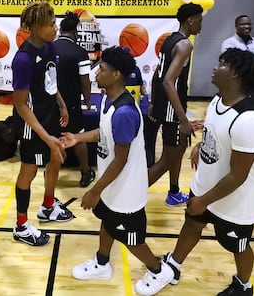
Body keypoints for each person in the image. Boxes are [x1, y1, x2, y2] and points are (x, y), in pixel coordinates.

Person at [62, 46, 173, 296]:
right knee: (108, 223)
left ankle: (158, 270)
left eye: (101, 69)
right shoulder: (107, 101)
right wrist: (78, 139)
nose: (96, 72)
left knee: (132, 239)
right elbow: (104, 133)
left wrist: (94, 191)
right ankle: (102, 263)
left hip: (125, 191)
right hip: (112, 185)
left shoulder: (124, 113)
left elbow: (120, 159)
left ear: (117, 75)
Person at [162, 48, 254, 296]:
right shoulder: (218, 100)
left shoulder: (249, 120)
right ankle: (174, 264)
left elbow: (238, 175)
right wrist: (202, 144)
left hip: (233, 200)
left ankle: (243, 285)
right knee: (191, 225)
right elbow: (214, 131)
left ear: (236, 75)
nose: (214, 68)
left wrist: (203, 201)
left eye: (222, 65)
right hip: (204, 186)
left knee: (238, 245)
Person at [11, 2, 74, 247]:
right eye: (50, 24)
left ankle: (48, 206)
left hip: (49, 114)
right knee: (29, 171)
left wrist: (61, 104)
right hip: (31, 122)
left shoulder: (49, 48)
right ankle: (21, 225)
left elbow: (50, 80)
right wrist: (46, 136)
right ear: (35, 27)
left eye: (55, 22)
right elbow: (20, 104)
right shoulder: (23, 60)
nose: (55, 27)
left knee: (56, 159)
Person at [148, 3, 203, 206]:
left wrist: (155, 103)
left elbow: (157, 74)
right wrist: (184, 120)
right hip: (173, 108)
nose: (201, 25)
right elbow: (167, 80)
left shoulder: (170, 39)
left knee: (175, 152)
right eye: (199, 20)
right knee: (169, 158)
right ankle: (132, 193)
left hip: (165, 105)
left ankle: (174, 191)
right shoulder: (185, 45)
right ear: (190, 20)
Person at [53, 10, 94, 187]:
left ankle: (51, 173)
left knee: (52, 137)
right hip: (71, 104)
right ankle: (85, 173)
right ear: (76, 32)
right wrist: (88, 101)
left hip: (50, 102)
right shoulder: (79, 52)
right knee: (78, 137)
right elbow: (85, 82)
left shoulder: (47, 48)